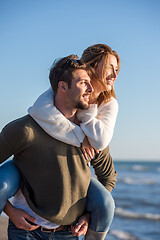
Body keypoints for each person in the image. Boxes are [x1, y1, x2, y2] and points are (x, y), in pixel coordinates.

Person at [0, 54, 117, 240]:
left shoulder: (91, 134)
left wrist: (89, 215)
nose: (90, 88)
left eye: (90, 82)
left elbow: (108, 177)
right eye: (83, 83)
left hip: (67, 233)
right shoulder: (25, 129)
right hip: (25, 231)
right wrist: (10, 211)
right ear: (62, 87)